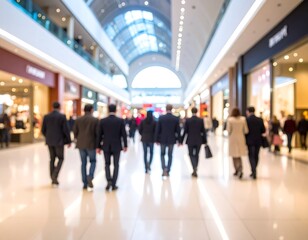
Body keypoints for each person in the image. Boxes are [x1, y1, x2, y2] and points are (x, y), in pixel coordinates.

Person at [97, 104, 127, 191]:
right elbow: (123, 134)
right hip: (117, 146)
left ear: (107, 110)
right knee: (116, 165)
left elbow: (99, 135)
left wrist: (98, 146)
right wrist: (125, 145)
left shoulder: (103, 121)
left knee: (107, 164)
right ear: (116, 110)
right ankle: (114, 184)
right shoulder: (120, 121)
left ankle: (108, 181)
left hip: (106, 146)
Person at [41, 102, 71, 187]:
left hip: (50, 141)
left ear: (52, 107)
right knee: (61, 158)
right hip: (59, 142)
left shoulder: (46, 117)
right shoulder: (62, 117)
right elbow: (66, 130)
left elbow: (43, 130)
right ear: (59, 107)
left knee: (52, 159)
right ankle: (55, 175)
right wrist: (68, 141)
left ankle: (52, 177)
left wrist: (48, 137)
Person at [73, 104, 99, 190]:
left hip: (81, 144)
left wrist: (78, 138)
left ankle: (84, 183)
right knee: (93, 161)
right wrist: (98, 144)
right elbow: (97, 133)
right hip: (91, 144)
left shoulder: (78, 119)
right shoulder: (95, 120)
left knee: (83, 163)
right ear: (91, 110)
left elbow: (75, 132)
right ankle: (90, 176)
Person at [155, 104, 181, 177]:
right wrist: (179, 140)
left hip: (162, 139)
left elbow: (158, 130)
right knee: (170, 155)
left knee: (162, 154)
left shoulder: (161, 118)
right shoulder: (175, 118)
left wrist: (156, 139)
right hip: (172, 139)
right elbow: (178, 131)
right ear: (172, 109)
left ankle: (164, 169)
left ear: (166, 109)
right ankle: (168, 170)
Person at [180, 107, 207, 177]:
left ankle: (194, 167)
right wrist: (205, 141)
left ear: (191, 112)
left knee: (191, 154)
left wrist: (181, 141)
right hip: (199, 140)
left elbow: (185, 131)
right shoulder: (200, 120)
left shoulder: (188, 120)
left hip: (190, 140)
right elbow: (203, 131)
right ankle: (195, 168)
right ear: (197, 111)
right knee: (197, 154)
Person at [227, 108, 248, 179]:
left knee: (234, 155)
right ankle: (240, 169)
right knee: (239, 155)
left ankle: (236, 169)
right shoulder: (243, 119)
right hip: (241, 138)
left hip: (233, 138)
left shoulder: (230, 120)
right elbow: (246, 130)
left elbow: (228, 130)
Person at [245, 106, 265, 180]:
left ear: (248, 111)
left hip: (250, 141)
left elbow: (245, 131)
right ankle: (254, 170)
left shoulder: (247, 120)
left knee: (251, 156)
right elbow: (263, 130)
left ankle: (253, 170)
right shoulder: (260, 120)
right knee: (256, 155)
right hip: (258, 140)